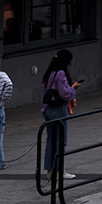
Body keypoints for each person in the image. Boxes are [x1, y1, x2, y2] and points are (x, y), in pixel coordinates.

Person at [39, 50, 78, 180]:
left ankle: (50, 170)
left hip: (48, 109)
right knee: (61, 141)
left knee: (50, 140)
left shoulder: (50, 72)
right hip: (59, 110)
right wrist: (73, 89)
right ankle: (60, 170)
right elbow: (64, 94)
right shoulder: (61, 73)